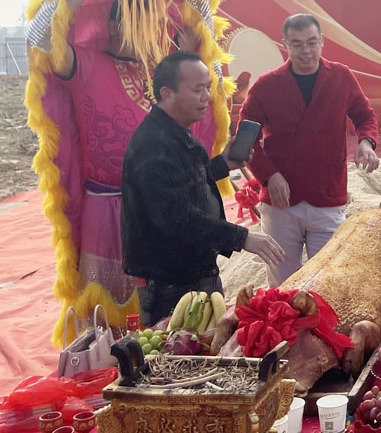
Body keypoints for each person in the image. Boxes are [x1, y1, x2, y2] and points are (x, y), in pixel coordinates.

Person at [35, 0, 207, 327]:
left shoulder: (166, 72)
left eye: (150, 21)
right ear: (113, 27)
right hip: (106, 206)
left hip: (163, 205)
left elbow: (201, 28)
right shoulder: (85, 63)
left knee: (167, 309)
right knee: (104, 312)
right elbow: (40, 40)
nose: (147, 30)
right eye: (135, 22)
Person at [121, 51, 284, 325]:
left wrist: (223, 164)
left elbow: (185, 182)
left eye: (208, 87)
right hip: (171, 281)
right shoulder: (153, 144)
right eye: (197, 89)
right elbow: (175, 215)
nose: (206, 97)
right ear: (167, 93)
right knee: (182, 355)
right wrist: (242, 237)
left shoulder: (176, 130)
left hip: (194, 269)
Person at [240, 13, 380, 286]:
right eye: (297, 44)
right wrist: (268, 176)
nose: (305, 51)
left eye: (311, 42)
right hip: (282, 200)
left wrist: (366, 141)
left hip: (327, 195)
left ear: (322, 42)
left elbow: (365, 116)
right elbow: (246, 139)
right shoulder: (266, 86)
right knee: (283, 282)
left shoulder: (341, 77)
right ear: (285, 45)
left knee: (327, 280)